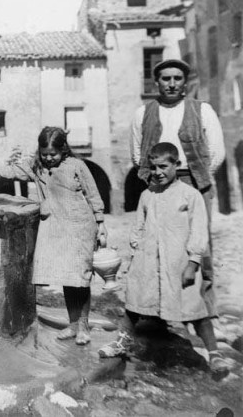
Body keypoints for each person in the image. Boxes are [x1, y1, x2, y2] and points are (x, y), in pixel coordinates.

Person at [98, 142, 233, 376]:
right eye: (153, 168)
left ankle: (214, 354)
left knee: (195, 309)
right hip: (147, 262)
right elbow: (138, 228)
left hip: (179, 263)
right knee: (135, 303)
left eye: (163, 166)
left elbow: (199, 231)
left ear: (176, 165)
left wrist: (192, 263)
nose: (158, 172)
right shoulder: (147, 195)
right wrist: (136, 251)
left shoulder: (190, 196)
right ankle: (121, 343)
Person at [0, 126, 107, 344]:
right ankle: (72, 325)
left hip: (79, 228)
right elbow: (11, 171)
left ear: (64, 150)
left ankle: (83, 326)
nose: (49, 159)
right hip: (56, 229)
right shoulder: (36, 167)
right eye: (45, 154)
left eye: (54, 154)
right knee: (67, 278)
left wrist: (101, 224)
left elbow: (93, 194)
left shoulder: (77, 166)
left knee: (80, 279)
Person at [130, 58, 224, 282]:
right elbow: (136, 154)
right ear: (157, 83)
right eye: (166, 78)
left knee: (200, 240)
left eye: (177, 78)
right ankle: (160, 305)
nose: (171, 83)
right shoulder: (142, 113)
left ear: (185, 83)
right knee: (158, 238)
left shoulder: (203, 110)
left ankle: (203, 306)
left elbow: (217, 152)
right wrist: (156, 177)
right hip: (158, 182)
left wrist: (199, 175)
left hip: (194, 180)